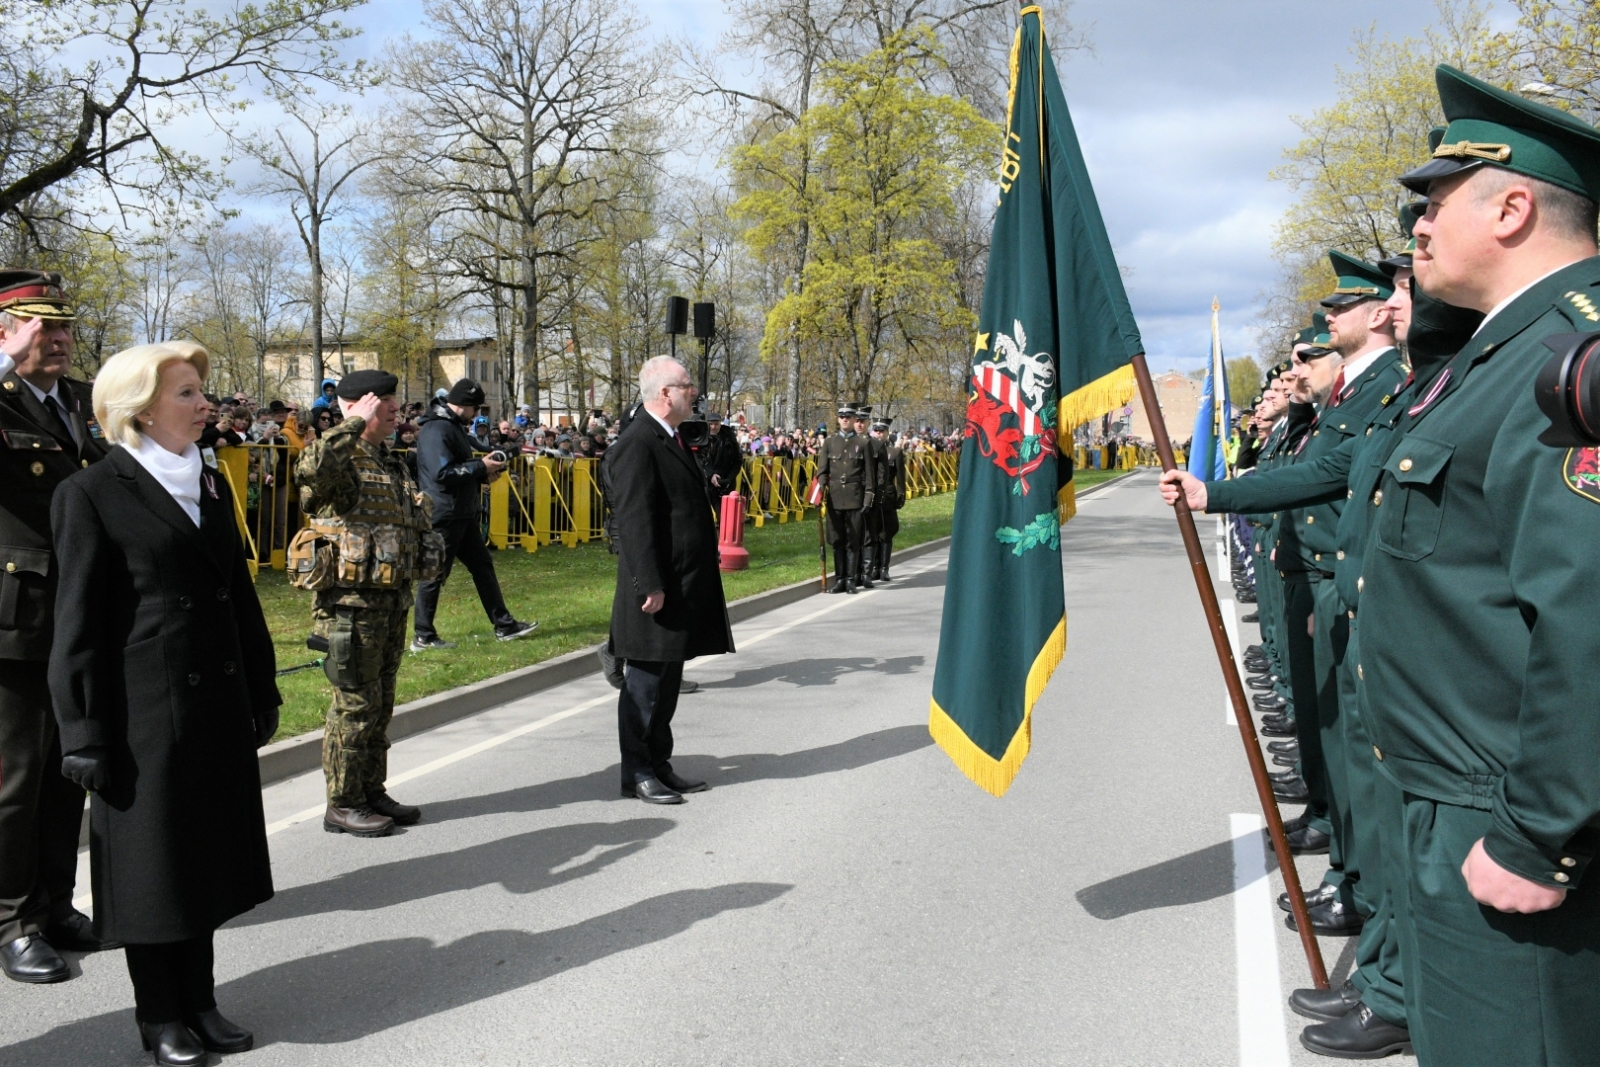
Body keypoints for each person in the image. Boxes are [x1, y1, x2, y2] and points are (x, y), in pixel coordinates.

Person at [1357, 66, 1600, 1065]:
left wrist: (1539, 833)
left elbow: (1588, 616)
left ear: (1510, 209)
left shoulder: (1569, 357)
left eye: (1433, 203)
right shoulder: (1495, 356)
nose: (1416, 227)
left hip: (1509, 821)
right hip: (1458, 804)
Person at [51, 340, 277, 1064]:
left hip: (212, 706)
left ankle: (200, 1001)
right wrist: (82, 730)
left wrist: (261, 685)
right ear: (140, 408)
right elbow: (77, 624)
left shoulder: (206, 481)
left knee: (202, 862)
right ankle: (159, 1016)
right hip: (140, 716)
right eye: (187, 393)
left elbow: (236, 593)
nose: (205, 404)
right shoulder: (90, 492)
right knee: (154, 872)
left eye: (200, 392)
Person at [0, 271, 112, 985]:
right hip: (17, 618)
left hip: (80, 613)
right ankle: (12, 921)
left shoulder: (80, 401)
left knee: (69, 770)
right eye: (43, 326)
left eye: (66, 326)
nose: (61, 338)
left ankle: (55, 902)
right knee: (16, 780)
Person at [295, 370, 437, 837]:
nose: (396, 411)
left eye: (396, 403)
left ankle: (371, 790)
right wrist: (351, 422)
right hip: (351, 608)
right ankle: (343, 803)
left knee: (380, 704)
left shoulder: (387, 462)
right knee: (355, 706)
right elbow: (312, 468)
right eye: (385, 404)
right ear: (358, 407)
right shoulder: (341, 457)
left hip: (389, 602)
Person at [607, 356, 733, 804]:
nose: (693, 392)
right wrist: (649, 583)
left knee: (667, 685)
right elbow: (635, 522)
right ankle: (637, 772)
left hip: (680, 585)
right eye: (686, 385)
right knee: (644, 687)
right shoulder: (638, 442)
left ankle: (659, 764)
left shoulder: (671, 436)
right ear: (664, 393)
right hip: (655, 589)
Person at [410, 378, 537, 652]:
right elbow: (441, 473)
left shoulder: (451, 426)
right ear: (464, 404)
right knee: (435, 573)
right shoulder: (437, 429)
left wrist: (482, 473)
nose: (476, 414)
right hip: (444, 512)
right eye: (475, 408)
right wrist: (481, 467)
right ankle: (423, 635)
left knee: (482, 566)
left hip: (461, 511)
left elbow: (458, 466)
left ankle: (504, 625)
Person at [816, 405, 876, 593]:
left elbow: (870, 476)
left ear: (853, 419)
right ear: (838, 419)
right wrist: (820, 490)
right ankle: (840, 579)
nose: (845, 420)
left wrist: (868, 499)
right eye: (842, 416)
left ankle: (850, 580)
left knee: (853, 540)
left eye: (848, 417)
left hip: (855, 498)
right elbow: (822, 472)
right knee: (837, 540)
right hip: (835, 498)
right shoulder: (829, 443)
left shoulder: (863, 443)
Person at [855, 406, 889, 581]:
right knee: (853, 534)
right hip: (852, 496)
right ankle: (854, 573)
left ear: (869, 423)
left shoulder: (877, 445)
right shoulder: (846, 445)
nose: (859, 424)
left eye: (863, 421)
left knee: (869, 535)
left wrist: (878, 498)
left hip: (871, 496)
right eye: (857, 421)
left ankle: (866, 573)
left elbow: (882, 475)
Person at [869, 417, 906, 580]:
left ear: (887, 432)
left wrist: (901, 495)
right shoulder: (868, 450)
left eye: (882, 431)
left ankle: (884, 568)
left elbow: (901, 477)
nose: (878, 434)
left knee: (886, 533)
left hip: (887, 497)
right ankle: (874, 567)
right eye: (876, 430)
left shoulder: (894, 453)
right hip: (870, 496)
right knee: (873, 533)